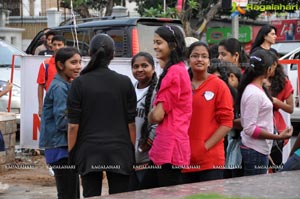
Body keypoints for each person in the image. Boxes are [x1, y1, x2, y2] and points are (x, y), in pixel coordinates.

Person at [67, 33, 136, 197]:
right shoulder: (124, 82)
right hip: (119, 151)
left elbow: (72, 126)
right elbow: (131, 124)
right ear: (113, 55)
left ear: (90, 53)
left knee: (91, 195)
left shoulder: (79, 83)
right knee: (120, 196)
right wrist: (130, 151)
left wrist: (72, 154)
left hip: (89, 151)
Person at [146, 25, 192, 187]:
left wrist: (150, 116)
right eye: (154, 42)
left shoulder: (174, 73)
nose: (155, 46)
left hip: (170, 146)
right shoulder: (177, 70)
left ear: (172, 45)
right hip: (167, 145)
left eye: (159, 42)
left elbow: (158, 115)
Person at [182, 41, 234, 183]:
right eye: (195, 56)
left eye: (204, 56)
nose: (199, 59)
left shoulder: (219, 85)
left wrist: (204, 147)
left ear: (209, 61)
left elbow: (227, 123)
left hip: (211, 161)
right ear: (188, 59)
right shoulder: (181, 84)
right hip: (182, 159)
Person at [237, 49, 293, 176]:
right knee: (255, 191)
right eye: (273, 66)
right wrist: (278, 137)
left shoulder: (256, 88)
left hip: (258, 149)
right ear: (268, 70)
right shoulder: (254, 93)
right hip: (255, 149)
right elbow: (250, 128)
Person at [39, 47, 82, 199]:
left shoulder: (66, 84)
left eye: (80, 62)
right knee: (68, 192)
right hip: (60, 148)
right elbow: (63, 122)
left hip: (63, 146)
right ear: (61, 65)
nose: (78, 66)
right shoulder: (59, 87)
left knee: (72, 191)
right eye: (73, 62)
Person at [129, 52, 158, 191]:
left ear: (153, 68)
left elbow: (159, 122)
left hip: (147, 157)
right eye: (136, 66)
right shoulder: (129, 89)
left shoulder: (158, 90)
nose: (139, 69)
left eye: (144, 65)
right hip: (129, 157)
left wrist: (145, 145)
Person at [266, 51, 294, 168]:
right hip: (259, 124)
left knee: (275, 164)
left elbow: (290, 108)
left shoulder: (284, 82)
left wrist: (276, 102)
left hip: (276, 125)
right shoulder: (258, 79)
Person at [36, 35, 66, 116]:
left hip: (66, 102)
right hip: (50, 103)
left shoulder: (69, 64)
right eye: (55, 45)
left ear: (64, 46)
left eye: (59, 45)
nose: (57, 47)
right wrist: (40, 107)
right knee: (49, 127)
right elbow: (40, 86)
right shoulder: (45, 64)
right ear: (51, 46)